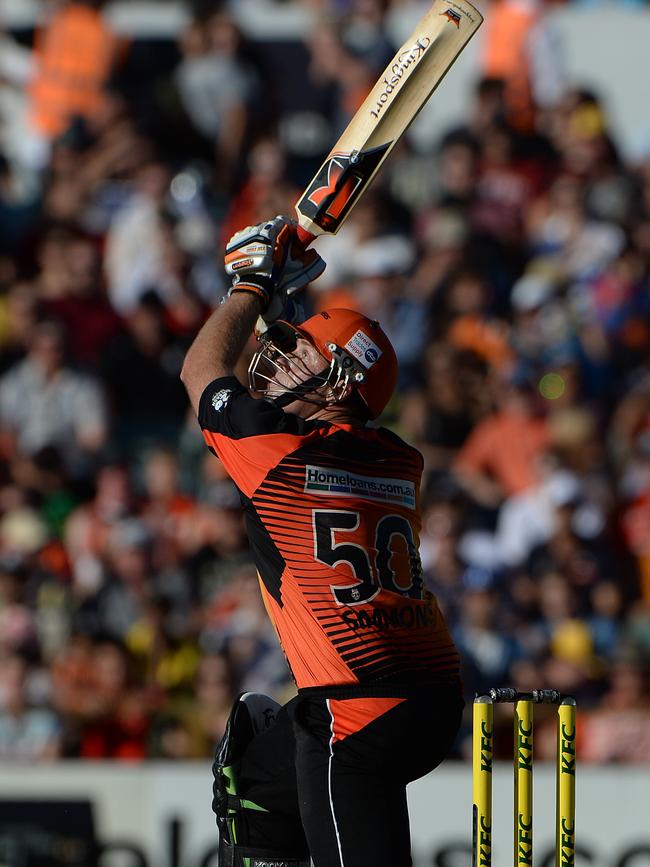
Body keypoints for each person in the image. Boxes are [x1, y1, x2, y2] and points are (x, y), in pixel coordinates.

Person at [180, 216, 463, 867]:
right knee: (254, 770)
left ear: (340, 383)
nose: (276, 359)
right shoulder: (399, 457)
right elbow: (312, 426)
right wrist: (272, 304)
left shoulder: (284, 458)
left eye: (300, 350)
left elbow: (201, 369)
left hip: (357, 712)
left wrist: (252, 284)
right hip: (432, 697)